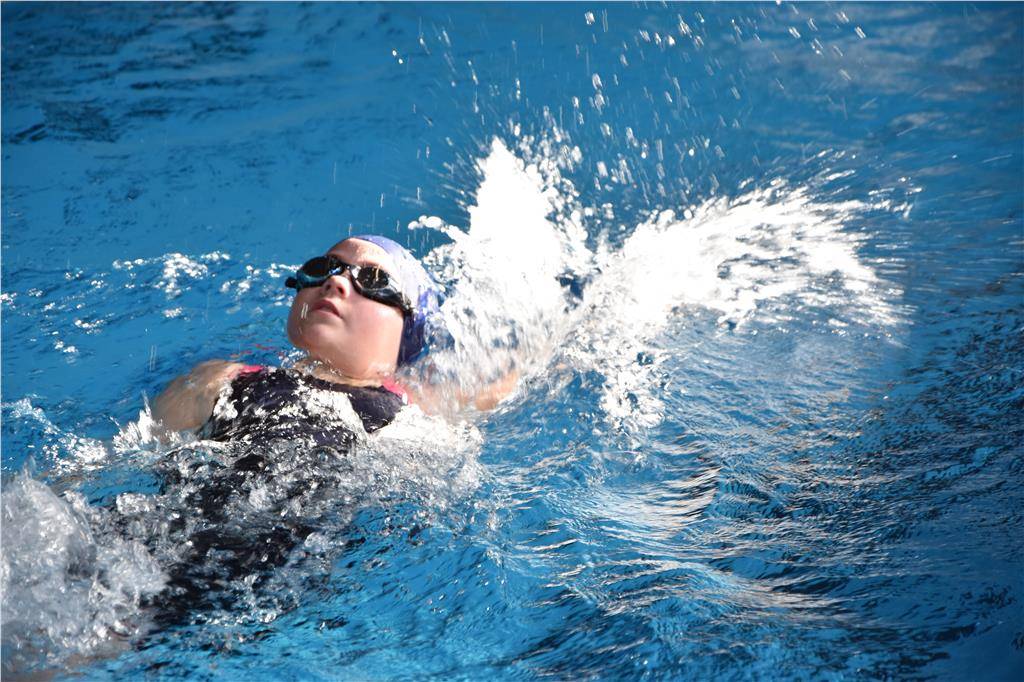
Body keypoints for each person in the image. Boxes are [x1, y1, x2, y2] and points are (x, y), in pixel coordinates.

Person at [152, 233, 513, 445]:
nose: (336, 281)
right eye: (323, 268)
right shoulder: (221, 379)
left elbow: (504, 377)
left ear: (407, 328)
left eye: (373, 280)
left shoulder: (416, 412)